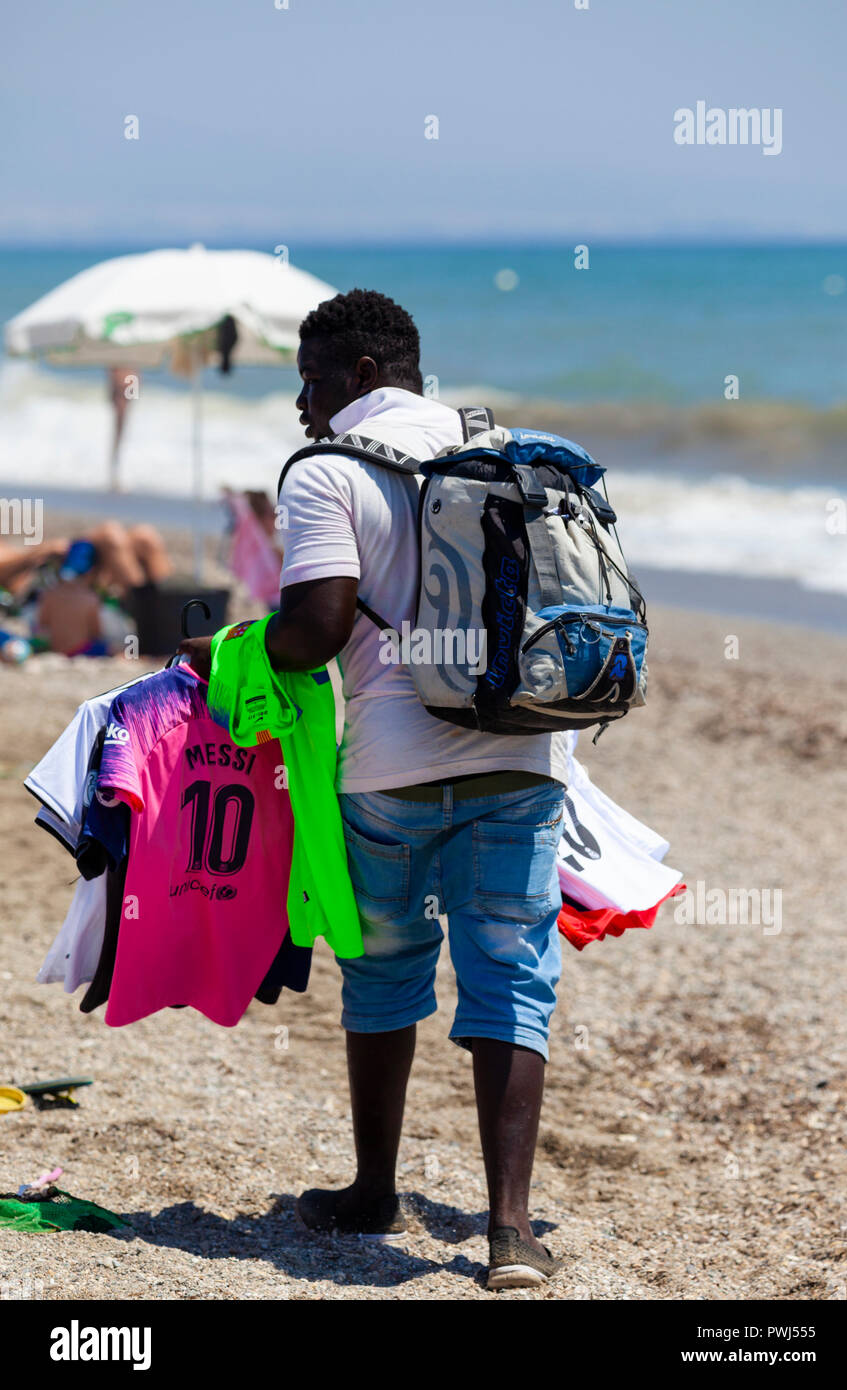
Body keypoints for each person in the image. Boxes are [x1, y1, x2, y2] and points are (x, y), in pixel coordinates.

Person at [179, 290, 570, 1289]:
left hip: (392, 769)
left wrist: (226, 646)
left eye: (309, 382)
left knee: (387, 975)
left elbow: (311, 630)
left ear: (357, 373)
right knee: (511, 982)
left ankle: (371, 1190)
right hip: (523, 755)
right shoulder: (498, 447)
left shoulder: (324, 472)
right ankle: (511, 1230)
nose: (302, 406)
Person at [0, 521, 172, 657]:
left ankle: (171, 619)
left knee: (144, 538)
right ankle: (155, 628)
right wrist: (40, 551)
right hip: (40, 601)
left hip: (68, 585)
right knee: (109, 535)